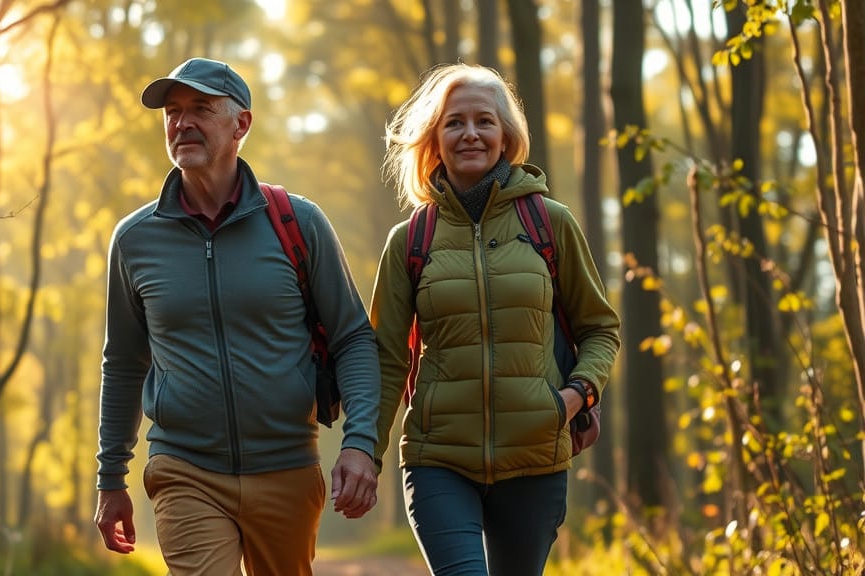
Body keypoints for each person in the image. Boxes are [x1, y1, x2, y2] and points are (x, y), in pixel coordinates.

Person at [94, 57, 380, 576]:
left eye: (201, 109)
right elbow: (124, 362)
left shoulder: (298, 222)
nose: (182, 123)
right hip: (185, 468)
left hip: (288, 465)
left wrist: (361, 443)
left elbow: (354, 338)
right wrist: (111, 475)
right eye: (173, 112)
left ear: (240, 124)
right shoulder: (135, 240)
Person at [369, 63, 621, 575]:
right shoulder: (410, 241)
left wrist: (574, 398)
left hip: (535, 456)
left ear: (506, 137)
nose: (470, 134)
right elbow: (387, 359)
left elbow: (600, 329)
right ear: (434, 139)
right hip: (437, 456)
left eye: (484, 121)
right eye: (454, 122)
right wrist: (364, 454)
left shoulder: (549, 222)